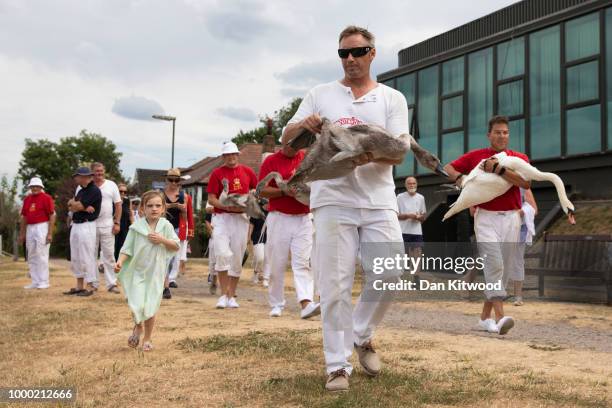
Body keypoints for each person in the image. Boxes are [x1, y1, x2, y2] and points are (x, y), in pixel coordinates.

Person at [282, 25, 408, 391]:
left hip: (378, 200)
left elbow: (398, 152)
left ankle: (361, 333)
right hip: (332, 199)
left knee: (391, 272)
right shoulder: (319, 94)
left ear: (372, 53)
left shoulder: (391, 99)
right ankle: (337, 366)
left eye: (357, 52)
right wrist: (300, 126)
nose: (350, 59)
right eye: (343, 53)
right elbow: (288, 142)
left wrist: (365, 151)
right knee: (334, 286)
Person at [444, 115, 531, 335]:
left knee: (503, 271)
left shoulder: (519, 157)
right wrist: (462, 180)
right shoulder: (477, 156)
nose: (502, 136)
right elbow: (448, 168)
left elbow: (525, 182)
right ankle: (501, 318)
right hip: (485, 217)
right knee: (494, 264)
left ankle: (484, 318)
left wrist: (499, 170)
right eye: (498, 132)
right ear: (489, 134)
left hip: (512, 218)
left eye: (505, 132)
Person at [258, 144, 320, 319]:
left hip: (304, 217)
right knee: (277, 263)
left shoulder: (306, 158)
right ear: (284, 142)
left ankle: (306, 303)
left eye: (297, 143)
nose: (294, 147)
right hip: (279, 217)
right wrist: (285, 191)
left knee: (303, 262)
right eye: (291, 143)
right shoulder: (271, 161)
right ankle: (276, 303)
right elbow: (261, 190)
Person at [115, 190, 179, 351]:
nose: (154, 209)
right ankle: (138, 326)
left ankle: (148, 338)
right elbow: (126, 248)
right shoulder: (135, 228)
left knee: (150, 305)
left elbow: (176, 245)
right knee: (136, 302)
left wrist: (162, 240)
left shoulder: (166, 226)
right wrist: (120, 262)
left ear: (164, 208)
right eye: (150, 206)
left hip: (156, 273)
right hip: (137, 271)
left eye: (158, 205)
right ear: (143, 208)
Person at [207, 141, 257, 309]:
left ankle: (231, 295)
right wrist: (226, 206)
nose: (231, 157)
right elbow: (211, 198)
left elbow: (256, 191)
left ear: (238, 155)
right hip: (222, 217)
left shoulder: (248, 172)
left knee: (237, 256)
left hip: (241, 218)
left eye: (233, 154)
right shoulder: (216, 173)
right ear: (223, 157)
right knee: (221, 253)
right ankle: (222, 294)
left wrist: (250, 201)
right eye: (227, 155)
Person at [64, 167, 102, 297]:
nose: (76, 178)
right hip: (76, 224)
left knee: (87, 256)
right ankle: (79, 286)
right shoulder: (80, 190)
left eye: (78, 176)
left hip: (87, 225)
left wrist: (79, 206)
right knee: (76, 256)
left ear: (86, 177)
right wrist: (82, 206)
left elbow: (76, 206)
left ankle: (90, 285)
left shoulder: (94, 190)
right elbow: (70, 205)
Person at [85, 162, 122, 293]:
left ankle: (112, 284)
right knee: (91, 255)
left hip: (108, 225)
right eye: (96, 171)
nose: (99, 173)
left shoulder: (111, 185)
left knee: (109, 255)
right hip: (90, 224)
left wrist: (117, 222)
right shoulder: (86, 186)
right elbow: (76, 202)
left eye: (101, 171)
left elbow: (118, 205)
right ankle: (93, 283)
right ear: (92, 173)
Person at [162, 168, 194, 299]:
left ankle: (171, 279)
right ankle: (165, 282)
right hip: (163, 228)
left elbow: (189, 216)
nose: (174, 183)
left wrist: (189, 231)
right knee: (164, 257)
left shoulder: (185, 196)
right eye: (171, 180)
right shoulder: (159, 194)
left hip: (178, 228)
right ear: (166, 180)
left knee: (176, 256)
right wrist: (168, 206)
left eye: (176, 180)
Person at [19, 177, 56, 289]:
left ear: (41, 187)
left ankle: (44, 281)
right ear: (30, 187)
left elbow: (52, 215)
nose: (34, 188)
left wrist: (49, 233)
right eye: (32, 186)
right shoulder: (27, 199)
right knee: (31, 254)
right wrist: (22, 234)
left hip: (42, 226)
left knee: (42, 254)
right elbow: (24, 217)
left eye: (37, 186)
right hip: (30, 227)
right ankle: (35, 281)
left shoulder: (46, 198)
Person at [396, 176, 426, 283]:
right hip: (402, 230)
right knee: (401, 254)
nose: (412, 185)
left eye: (413, 183)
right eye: (409, 184)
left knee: (417, 254)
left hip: (416, 231)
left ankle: (416, 279)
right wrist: (408, 216)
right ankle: (398, 277)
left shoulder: (421, 198)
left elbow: (423, 216)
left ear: (416, 184)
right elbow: (396, 215)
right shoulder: (399, 197)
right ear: (405, 185)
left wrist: (419, 217)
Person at [512, 188, 537, 306]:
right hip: (499, 226)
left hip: (518, 227)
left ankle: (518, 296)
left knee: (517, 261)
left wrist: (520, 212)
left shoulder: (523, 187)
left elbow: (534, 209)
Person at [114, 183, 134, 261]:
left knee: (123, 247)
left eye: (125, 192)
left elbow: (131, 214)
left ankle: (119, 264)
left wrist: (133, 226)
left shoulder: (127, 201)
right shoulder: (113, 201)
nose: (123, 193)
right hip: (115, 227)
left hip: (125, 227)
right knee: (113, 247)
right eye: (121, 191)